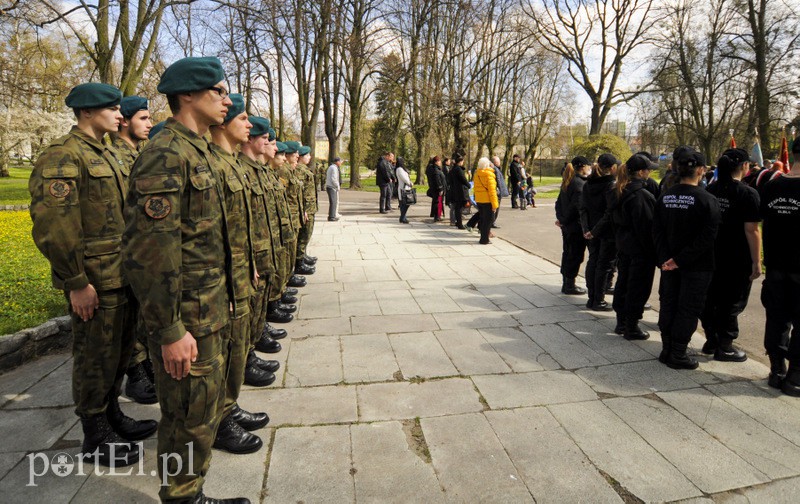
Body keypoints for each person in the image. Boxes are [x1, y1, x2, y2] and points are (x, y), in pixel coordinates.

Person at [122, 57, 249, 502]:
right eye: (218, 91)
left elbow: (210, 239)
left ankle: (188, 491)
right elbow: (151, 254)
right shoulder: (166, 154)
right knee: (185, 416)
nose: (227, 100)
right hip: (185, 316)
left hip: (209, 306)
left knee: (200, 410)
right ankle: (181, 496)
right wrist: (170, 329)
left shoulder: (198, 150)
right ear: (188, 96)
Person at [30, 82, 156, 469]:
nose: (120, 115)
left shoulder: (109, 154)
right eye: (111, 108)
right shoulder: (63, 157)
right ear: (86, 111)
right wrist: (76, 282)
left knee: (118, 353)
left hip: (121, 273)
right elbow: (55, 227)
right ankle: (94, 432)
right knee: (93, 356)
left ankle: (111, 414)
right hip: (94, 280)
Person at [208, 94, 271, 456]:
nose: (250, 127)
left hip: (234, 278)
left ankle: (226, 410)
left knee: (233, 351)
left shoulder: (228, 163)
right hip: (208, 288)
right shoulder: (199, 160)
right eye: (243, 119)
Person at [653, 148, 721, 370]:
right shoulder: (707, 200)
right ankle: (677, 352)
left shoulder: (665, 196)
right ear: (701, 170)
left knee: (669, 304)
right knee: (687, 308)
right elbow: (707, 238)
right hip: (696, 266)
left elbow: (657, 231)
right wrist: (678, 260)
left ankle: (667, 349)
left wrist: (667, 259)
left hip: (670, 263)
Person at [112, 95, 157, 405]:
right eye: (143, 118)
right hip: (115, 257)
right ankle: (136, 374)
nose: (150, 123)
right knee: (124, 324)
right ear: (125, 121)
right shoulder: (113, 156)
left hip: (138, 252)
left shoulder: (137, 155)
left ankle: (143, 367)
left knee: (138, 317)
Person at [700, 148, 761, 363]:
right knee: (732, 301)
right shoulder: (747, 194)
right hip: (737, 257)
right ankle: (724, 345)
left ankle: (711, 338)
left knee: (711, 298)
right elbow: (751, 230)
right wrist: (757, 261)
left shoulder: (710, 190)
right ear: (744, 166)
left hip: (712, 254)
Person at [238, 116, 285, 362]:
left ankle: (253, 341)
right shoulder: (241, 170)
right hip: (251, 253)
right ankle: (246, 354)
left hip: (264, 247)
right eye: (267, 140)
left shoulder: (258, 171)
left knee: (258, 303)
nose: (275, 147)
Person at [760, 139, 800, 395]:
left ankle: (777, 369)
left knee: (776, 318)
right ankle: (794, 375)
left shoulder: (772, 185)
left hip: (775, 265)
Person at [610, 154, 658, 340]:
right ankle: (631, 326)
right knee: (637, 287)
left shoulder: (619, 190)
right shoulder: (641, 196)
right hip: (640, 250)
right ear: (640, 172)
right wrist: (653, 252)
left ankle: (622, 321)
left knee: (624, 283)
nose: (650, 172)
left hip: (624, 245)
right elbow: (646, 227)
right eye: (648, 169)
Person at [581, 153, 618, 311]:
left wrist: (587, 229)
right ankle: (598, 300)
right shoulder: (611, 186)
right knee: (604, 265)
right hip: (605, 231)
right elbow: (609, 212)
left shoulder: (587, 184)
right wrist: (593, 231)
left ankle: (592, 298)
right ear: (612, 168)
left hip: (591, 230)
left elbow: (582, 209)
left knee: (594, 261)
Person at [556, 156, 591, 295]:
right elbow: (576, 207)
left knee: (568, 253)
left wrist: (561, 219)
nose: (590, 168)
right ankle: (569, 284)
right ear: (583, 167)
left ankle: (567, 281)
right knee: (575, 255)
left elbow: (558, 203)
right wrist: (564, 220)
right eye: (588, 166)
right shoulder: (579, 184)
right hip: (575, 226)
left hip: (567, 225)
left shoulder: (569, 181)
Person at [296, 145, 319, 269]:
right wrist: (304, 209)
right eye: (307, 155)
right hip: (306, 208)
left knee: (307, 233)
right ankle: (299, 261)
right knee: (304, 234)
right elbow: (300, 192)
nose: (309, 157)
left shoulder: (304, 169)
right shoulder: (299, 170)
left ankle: (303, 255)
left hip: (310, 207)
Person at [473, 157, 499, 244]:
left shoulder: (477, 174)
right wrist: (495, 205)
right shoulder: (489, 175)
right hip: (488, 201)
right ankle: (484, 239)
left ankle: (483, 237)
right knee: (489, 220)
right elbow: (492, 191)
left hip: (479, 200)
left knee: (483, 219)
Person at [448, 155, 470, 229]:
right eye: (462, 161)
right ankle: (459, 223)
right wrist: (468, 185)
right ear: (460, 162)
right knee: (459, 208)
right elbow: (463, 179)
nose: (463, 163)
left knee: (458, 207)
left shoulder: (453, 169)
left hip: (456, 190)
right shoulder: (458, 169)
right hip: (461, 191)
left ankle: (458, 222)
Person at [491, 156, 509, 227]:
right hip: (497, 192)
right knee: (495, 207)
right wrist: (501, 190)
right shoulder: (495, 169)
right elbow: (498, 180)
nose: (500, 163)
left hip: (496, 191)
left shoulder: (496, 169)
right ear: (495, 162)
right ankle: (492, 222)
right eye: (498, 162)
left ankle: (492, 222)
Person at [396, 156, 413, 224]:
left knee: (405, 203)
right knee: (405, 203)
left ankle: (403, 217)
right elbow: (404, 178)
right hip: (403, 188)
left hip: (405, 187)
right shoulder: (399, 169)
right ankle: (402, 217)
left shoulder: (401, 169)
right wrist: (410, 183)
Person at [326, 157, 343, 221]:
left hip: (330, 186)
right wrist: (337, 186)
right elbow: (334, 178)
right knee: (333, 202)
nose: (341, 163)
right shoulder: (334, 168)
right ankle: (332, 216)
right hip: (332, 187)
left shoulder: (332, 167)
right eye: (340, 161)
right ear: (337, 162)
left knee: (334, 202)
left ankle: (333, 215)